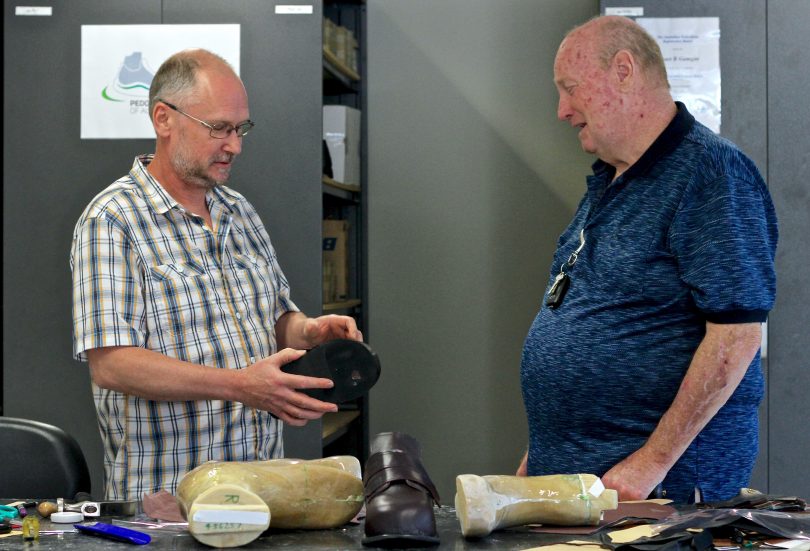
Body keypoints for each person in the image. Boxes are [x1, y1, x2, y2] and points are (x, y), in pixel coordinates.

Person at [70, 48, 362, 500]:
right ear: (164, 119)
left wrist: (308, 330)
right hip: (168, 502)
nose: (235, 145)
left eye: (240, 129)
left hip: (262, 490)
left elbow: (275, 318)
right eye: (219, 129)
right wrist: (243, 386)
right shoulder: (112, 220)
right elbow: (112, 364)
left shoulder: (239, 212)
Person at [517, 16, 778, 503]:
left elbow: (736, 336)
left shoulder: (712, 174)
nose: (562, 110)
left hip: (654, 494)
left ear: (623, 70)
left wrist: (650, 463)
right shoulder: (609, 180)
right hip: (582, 483)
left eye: (570, 89)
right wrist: (544, 452)